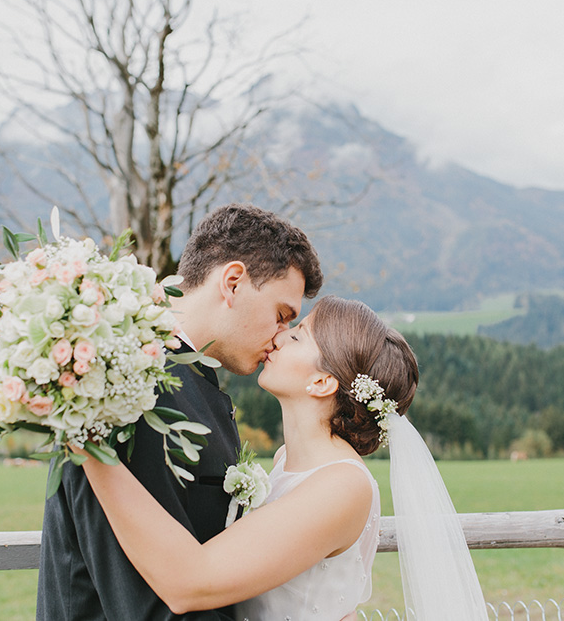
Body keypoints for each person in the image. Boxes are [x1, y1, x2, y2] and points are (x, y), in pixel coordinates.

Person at [77, 296, 489, 620]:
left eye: (298, 336)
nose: (278, 336)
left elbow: (191, 582)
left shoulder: (343, 486)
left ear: (322, 381)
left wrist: (87, 446)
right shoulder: (285, 459)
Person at [36, 203, 324, 621]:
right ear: (233, 283)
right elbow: (141, 599)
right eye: (281, 316)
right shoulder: (131, 388)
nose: (281, 337)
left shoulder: (189, 381)